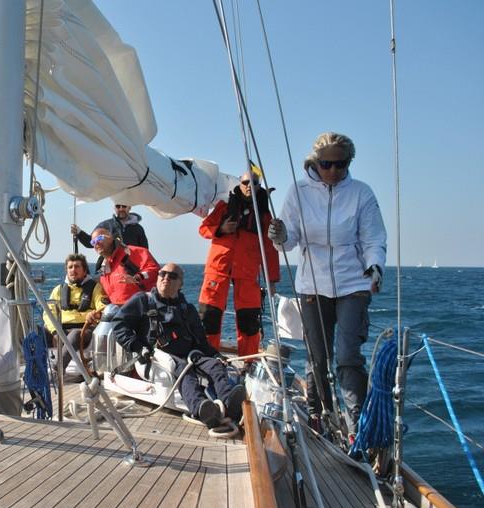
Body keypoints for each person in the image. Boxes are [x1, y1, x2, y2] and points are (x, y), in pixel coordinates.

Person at [268, 132, 386, 435]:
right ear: (315, 162)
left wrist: (375, 266)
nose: (333, 170)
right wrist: (279, 236)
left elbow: (373, 238)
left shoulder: (362, 193)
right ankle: (319, 412)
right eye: (326, 164)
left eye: (340, 164)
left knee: (347, 355)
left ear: (349, 163)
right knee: (318, 356)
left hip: (353, 283)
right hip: (312, 285)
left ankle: (356, 421)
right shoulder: (298, 192)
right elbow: (289, 240)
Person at [112, 263, 246, 428]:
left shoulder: (187, 309)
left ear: (180, 283)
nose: (166, 278)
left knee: (215, 366)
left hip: (190, 355)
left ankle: (230, 402)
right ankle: (201, 408)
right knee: (184, 370)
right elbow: (119, 325)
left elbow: (201, 341)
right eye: (162, 274)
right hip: (154, 357)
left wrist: (216, 355)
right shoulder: (142, 300)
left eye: (172, 276)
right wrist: (138, 347)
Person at [198, 171, 280, 357]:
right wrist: (221, 229)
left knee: (249, 319)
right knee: (209, 315)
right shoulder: (224, 207)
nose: (249, 185)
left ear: (259, 186)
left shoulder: (264, 215)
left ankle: (248, 363)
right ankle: (208, 359)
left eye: (254, 182)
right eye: (245, 182)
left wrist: (272, 280)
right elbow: (203, 229)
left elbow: (270, 248)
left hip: (248, 271)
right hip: (218, 268)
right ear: (239, 184)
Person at [42, 253, 107, 377]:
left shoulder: (95, 288)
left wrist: (95, 314)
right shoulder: (58, 290)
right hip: (60, 330)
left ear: (84, 270)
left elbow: (102, 307)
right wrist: (55, 331)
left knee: (75, 334)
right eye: (70, 267)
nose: (73, 270)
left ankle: (57, 369)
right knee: (36, 333)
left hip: (84, 330)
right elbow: (48, 313)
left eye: (77, 266)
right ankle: (36, 371)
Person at [90, 228, 159, 305]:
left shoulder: (132, 252)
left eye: (99, 238)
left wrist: (137, 278)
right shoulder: (103, 270)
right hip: (120, 312)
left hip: (142, 309)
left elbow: (155, 271)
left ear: (111, 237)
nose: (96, 243)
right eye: (93, 242)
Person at [71, 203, 149, 250]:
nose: (121, 209)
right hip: (111, 267)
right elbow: (90, 242)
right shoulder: (105, 226)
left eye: (124, 206)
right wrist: (79, 233)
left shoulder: (138, 229)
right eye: (118, 206)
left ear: (129, 207)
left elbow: (145, 250)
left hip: (132, 269)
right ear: (114, 208)